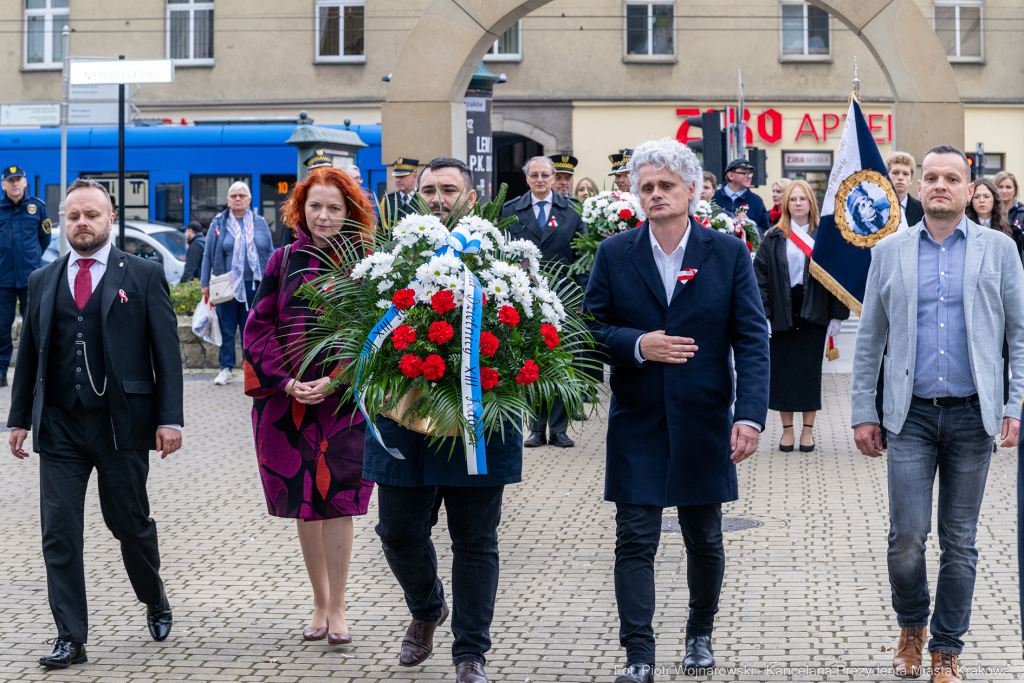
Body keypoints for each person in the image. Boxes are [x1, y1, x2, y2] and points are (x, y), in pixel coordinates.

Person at [585, 138, 770, 682]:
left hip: (703, 417)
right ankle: (638, 654)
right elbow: (591, 330)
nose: (656, 195)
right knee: (634, 539)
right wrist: (639, 344)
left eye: (667, 185)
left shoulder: (728, 252)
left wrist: (749, 415)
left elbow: (752, 340)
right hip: (638, 418)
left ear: (691, 190)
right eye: (647, 187)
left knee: (704, 537)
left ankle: (699, 635)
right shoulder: (615, 252)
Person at [851, 145, 1024, 683]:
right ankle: (911, 628)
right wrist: (863, 410)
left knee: (960, 540)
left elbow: (1019, 334)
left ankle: (947, 649)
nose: (940, 185)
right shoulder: (890, 252)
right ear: (919, 187)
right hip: (910, 417)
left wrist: (1015, 402)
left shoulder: (999, 250)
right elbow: (869, 339)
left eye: (952, 177)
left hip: (975, 417)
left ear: (971, 187)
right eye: (931, 177)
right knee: (907, 536)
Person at [6, 178, 184, 668]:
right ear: (63, 223)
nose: (82, 223)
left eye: (92, 215)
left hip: (120, 425)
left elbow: (166, 354)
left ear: (110, 219)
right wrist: (19, 419)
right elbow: (30, 357)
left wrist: (171, 420)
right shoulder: (44, 279)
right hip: (60, 425)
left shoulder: (143, 274)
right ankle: (71, 637)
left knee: (128, 523)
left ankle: (154, 596)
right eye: (73, 216)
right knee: (59, 532)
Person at [363, 156, 523, 683]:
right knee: (398, 532)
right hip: (403, 418)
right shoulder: (392, 253)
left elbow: (526, 335)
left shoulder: (503, 257)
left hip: (477, 419)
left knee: (475, 540)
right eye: (428, 190)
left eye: (448, 190)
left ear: (470, 197)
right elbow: (363, 323)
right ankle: (428, 609)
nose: (437, 198)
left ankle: (470, 653)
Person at [243, 166, 375, 646]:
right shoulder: (282, 261)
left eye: (334, 208)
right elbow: (258, 326)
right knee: (304, 502)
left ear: (350, 212)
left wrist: (338, 379)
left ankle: (338, 607)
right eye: (315, 206)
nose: (323, 216)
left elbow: (376, 333)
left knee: (338, 502)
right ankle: (318, 601)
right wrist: (286, 381)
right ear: (302, 208)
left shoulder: (367, 263)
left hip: (343, 402)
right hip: (288, 402)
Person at [753, 180, 848, 452]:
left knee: (808, 373)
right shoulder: (773, 237)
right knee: (782, 373)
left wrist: (837, 317)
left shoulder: (825, 236)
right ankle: (786, 432)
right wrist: (765, 315)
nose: (797, 204)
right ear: (786, 204)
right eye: (792, 199)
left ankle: (808, 431)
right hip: (783, 311)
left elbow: (837, 278)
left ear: (810, 203)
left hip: (813, 311)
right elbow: (759, 279)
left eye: (802, 199)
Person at [500, 155, 587, 448]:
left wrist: (582, 295)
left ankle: (559, 429)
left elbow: (583, 256)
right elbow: (502, 254)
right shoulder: (511, 210)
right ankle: (536, 428)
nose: (539, 180)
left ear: (554, 178)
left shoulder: (573, 210)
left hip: (563, 296)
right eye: (534, 175)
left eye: (545, 175)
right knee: (531, 361)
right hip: (527, 298)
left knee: (561, 360)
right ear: (527, 179)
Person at [199, 181, 273, 386]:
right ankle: (226, 368)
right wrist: (205, 283)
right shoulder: (218, 223)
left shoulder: (259, 223)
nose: (238, 199)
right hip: (227, 287)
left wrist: (274, 281)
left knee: (253, 329)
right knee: (227, 328)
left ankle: (254, 370)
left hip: (255, 287)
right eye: (234, 196)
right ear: (228, 200)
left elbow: (269, 252)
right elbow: (207, 255)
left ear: (249, 200)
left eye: (242, 195)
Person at [0, 165, 51, 386]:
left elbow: (45, 238)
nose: (15, 183)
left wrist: (33, 258)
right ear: (3, 185)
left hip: (31, 279)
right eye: (10, 180)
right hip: (3, 280)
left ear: (25, 182)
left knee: (33, 326)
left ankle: (35, 372)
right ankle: (1, 372)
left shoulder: (37, 207)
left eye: (18, 179)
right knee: (2, 327)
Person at [712, 158, 771, 237]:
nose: (749, 177)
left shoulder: (756, 201)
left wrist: (749, 224)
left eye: (749, 173)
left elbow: (765, 232)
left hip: (746, 248)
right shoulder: (714, 197)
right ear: (730, 175)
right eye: (744, 173)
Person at [887, 151, 924, 228]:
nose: (900, 177)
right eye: (895, 173)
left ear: (911, 180)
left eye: (905, 174)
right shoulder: (876, 207)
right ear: (887, 176)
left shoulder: (922, 209)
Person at [382, 158, 419, 224]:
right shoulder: (387, 199)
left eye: (402, 176)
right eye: (396, 177)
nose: (397, 180)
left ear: (414, 177)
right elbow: (381, 228)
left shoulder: (423, 198)